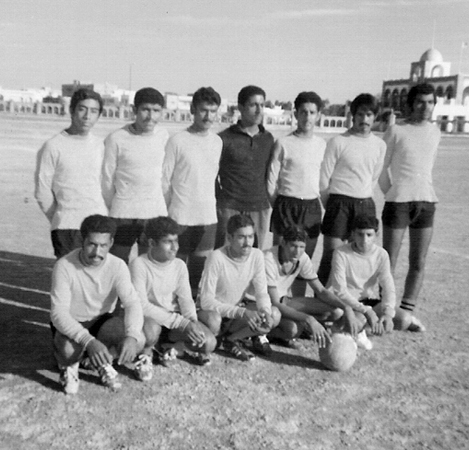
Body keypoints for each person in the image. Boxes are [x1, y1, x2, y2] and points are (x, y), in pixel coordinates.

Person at [50, 215, 152, 395]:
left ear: (111, 243)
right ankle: (70, 366)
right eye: (92, 244)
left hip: (102, 321)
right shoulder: (64, 266)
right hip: (73, 322)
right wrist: (89, 341)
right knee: (68, 350)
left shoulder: (118, 266)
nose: (97, 252)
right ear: (82, 240)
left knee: (139, 339)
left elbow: (132, 303)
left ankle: (101, 361)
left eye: (103, 245)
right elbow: (58, 314)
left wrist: (132, 336)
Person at [378, 83, 441, 332]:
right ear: (410, 104)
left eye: (430, 102)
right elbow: (381, 167)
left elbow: (428, 166)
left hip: (426, 202)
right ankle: (386, 311)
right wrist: (392, 192)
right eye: (420, 102)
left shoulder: (435, 132)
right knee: (389, 261)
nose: (425, 107)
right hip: (398, 203)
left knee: (418, 261)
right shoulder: (396, 131)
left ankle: (407, 312)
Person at [317, 93, 386, 286]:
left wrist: (361, 195)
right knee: (331, 256)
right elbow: (323, 179)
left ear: (374, 117)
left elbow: (373, 177)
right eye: (360, 114)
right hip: (339, 203)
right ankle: (321, 299)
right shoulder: (338, 142)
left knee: (360, 256)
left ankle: (354, 298)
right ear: (353, 116)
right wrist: (332, 205)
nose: (364, 119)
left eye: (369, 114)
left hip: (365, 204)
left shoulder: (380, 145)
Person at [130, 217, 217, 366]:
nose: (175, 247)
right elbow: (142, 306)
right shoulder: (139, 264)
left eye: (176, 241)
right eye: (168, 242)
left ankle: (170, 346)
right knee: (151, 331)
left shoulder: (179, 265)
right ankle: (147, 352)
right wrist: (183, 323)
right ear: (152, 243)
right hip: (152, 320)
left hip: (174, 321)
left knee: (209, 343)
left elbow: (186, 299)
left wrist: (192, 321)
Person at [162, 87, 223, 295]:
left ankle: (194, 309)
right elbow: (164, 180)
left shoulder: (217, 142)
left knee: (199, 273)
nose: (208, 116)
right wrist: (170, 211)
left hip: (207, 217)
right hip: (180, 216)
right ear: (193, 110)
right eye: (203, 110)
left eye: (213, 111)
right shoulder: (177, 140)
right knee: (175, 270)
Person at [35, 88, 107, 258]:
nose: (87, 116)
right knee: (69, 272)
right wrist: (59, 217)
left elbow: (107, 184)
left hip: (98, 226)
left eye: (93, 111)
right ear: (72, 110)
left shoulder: (101, 146)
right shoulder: (53, 146)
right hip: (67, 226)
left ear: (98, 115)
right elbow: (42, 191)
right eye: (82, 109)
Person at [198, 214, 281, 361]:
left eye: (250, 237)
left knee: (274, 314)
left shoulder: (256, 255)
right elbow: (206, 301)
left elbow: (261, 293)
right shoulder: (216, 257)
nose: (247, 243)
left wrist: (265, 311)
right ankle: (213, 340)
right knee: (213, 321)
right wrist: (242, 312)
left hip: (234, 314)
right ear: (229, 238)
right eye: (241, 237)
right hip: (213, 313)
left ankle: (231, 340)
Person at [102, 87, 169, 263]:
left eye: (156, 111)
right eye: (145, 109)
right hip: (123, 213)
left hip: (154, 212)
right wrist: (115, 205)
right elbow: (107, 178)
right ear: (134, 110)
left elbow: (165, 176)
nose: (150, 116)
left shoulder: (164, 136)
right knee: (117, 262)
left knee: (150, 264)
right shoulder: (116, 138)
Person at [263, 226, 359, 349]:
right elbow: (275, 303)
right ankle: (257, 335)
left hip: (284, 301)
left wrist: (347, 308)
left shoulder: (302, 258)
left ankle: (301, 329)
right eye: (293, 246)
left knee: (336, 312)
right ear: (283, 243)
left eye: (301, 247)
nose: (297, 252)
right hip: (264, 305)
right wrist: (309, 319)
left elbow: (321, 290)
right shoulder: (268, 259)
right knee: (291, 328)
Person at [267, 91, 326, 258]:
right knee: (280, 259)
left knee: (304, 260)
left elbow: (325, 178)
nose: (307, 117)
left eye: (312, 112)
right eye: (303, 112)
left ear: (318, 115)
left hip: (311, 207)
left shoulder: (322, 145)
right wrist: (279, 205)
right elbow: (271, 179)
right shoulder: (283, 143)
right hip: (286, 205)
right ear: (296, 114)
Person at [215, 85, 274, 251]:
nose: (259, 110)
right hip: (230, 207)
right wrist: (221, 200)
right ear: (240, 107)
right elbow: (211, 174)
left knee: (254, 254)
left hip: (259, 208)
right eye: (253, 105)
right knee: (226, 254)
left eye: (262, 105)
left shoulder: (268, 139)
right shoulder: (224, 138)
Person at [327, 215, 396, 349]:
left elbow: (388, 286)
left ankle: (361, 327)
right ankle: (351, 329)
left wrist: (388, 313)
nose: (364, 240)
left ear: (376, 235)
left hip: (365, 301)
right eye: (360, 234)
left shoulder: (382, 254)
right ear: (353, 234)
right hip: (343, 303)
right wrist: (367, 311)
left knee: (402, 320)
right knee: (360, 319)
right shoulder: (341, 253)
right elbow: (340, 291)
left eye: (369, 235)